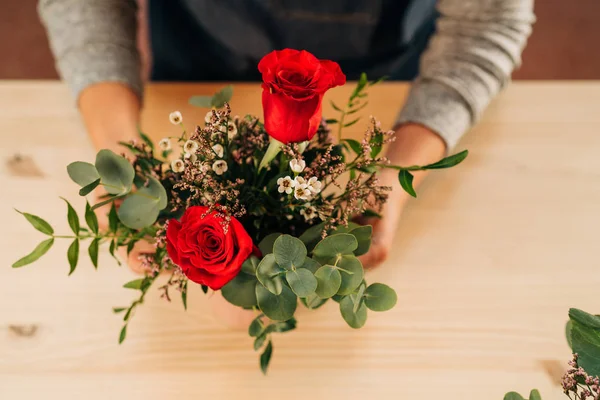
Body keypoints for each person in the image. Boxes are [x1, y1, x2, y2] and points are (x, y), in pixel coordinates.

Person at [39, 0, 535, 271]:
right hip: (195, 79)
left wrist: (389, 186)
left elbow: (486, 23)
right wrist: (124, 158)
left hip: (378, 92)